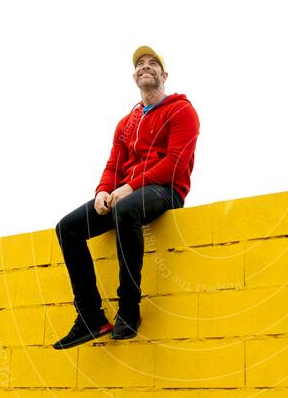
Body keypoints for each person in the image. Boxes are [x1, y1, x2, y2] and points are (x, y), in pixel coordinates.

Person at [52, 45, 200, 348]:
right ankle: (90, 317)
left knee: (126, 211)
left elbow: (175, 163)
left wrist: (130, 187)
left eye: (153, 63)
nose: (146, 67)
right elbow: (113, 165)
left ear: (164, 74)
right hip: (125, 194)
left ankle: (129, 309)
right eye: (140, 64)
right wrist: (103, 191)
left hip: (166, 189)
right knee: (67, 228)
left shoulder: (182, 110)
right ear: (134, 76)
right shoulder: (126, 123)